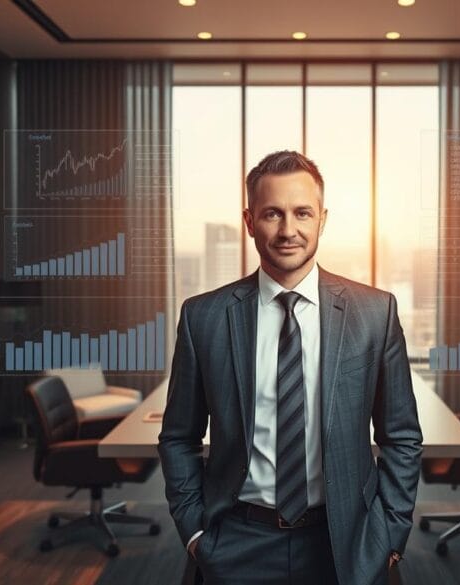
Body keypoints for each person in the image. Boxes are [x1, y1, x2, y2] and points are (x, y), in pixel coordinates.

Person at [158, 150, 423, 585]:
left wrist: (389, 535)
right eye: (272, 214)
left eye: (302, 213)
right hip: (236, 542)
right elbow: (178, 437)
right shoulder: (202, 318)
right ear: (249, 221)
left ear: (322, 219)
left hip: (346, 544)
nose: (288, 230)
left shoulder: (375, 313)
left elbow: (402, 436)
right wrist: (195, 534)